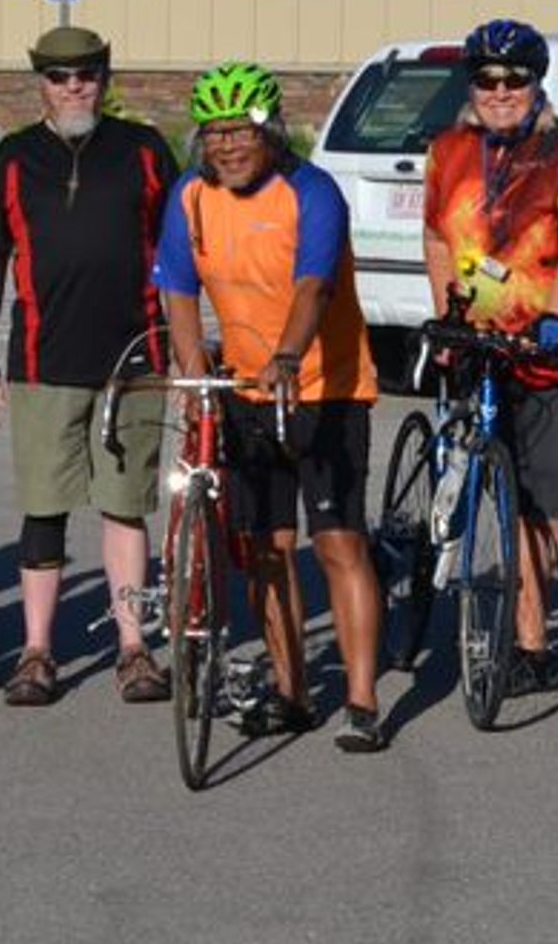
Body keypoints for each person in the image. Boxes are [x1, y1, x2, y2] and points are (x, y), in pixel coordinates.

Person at [154, 63, 393, 753]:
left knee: (338, 541)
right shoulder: (191, 198)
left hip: (324, 387)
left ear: (271, 131)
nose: (228, 146)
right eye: (216, 133)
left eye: (242, 131)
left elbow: (314, 285)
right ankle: (292, 692)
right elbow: (176, 288)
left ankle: (360, 698)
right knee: (264, 547)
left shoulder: (310, 192)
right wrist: (195, 378)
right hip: (243, 391)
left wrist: (288, 355)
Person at [0, 22, 178, 707]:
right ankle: (37, 650)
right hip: (40, 360)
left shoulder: (143, 150)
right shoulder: (16, 157)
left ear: (106, 77)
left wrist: (188, 342)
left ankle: (134, 647)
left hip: (133, 359)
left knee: (124, 506)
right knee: (44, 509)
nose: (74, 86)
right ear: (41, 85)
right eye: (59, 76)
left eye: (86, 73)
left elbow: (180, 252)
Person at [419, 17, 558, 711]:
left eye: (515, 80)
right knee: (516, 513)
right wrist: (448, 316)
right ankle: (532, 647)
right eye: (486, 79)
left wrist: (554, 317)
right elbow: (436, 235)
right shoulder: (448, 150)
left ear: (537, 84)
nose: (500, 91)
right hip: (486, 353)